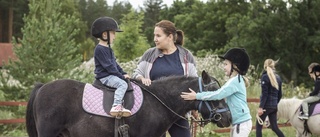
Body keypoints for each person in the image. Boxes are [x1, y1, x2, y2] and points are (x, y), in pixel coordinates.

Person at [132, 20, 197, 137]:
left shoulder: (186, 56)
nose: (155, 39)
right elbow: (136, 74)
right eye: (154, 35)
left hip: (178, 112)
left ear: (170, 37)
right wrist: (142, 78)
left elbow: (194, 82)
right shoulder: (149, 54)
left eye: (158, 36)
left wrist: (194, 106)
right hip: (152, 114)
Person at [181, 48, 252, 137]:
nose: (224, 67)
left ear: (235, 66)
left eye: (226, 64)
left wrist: (197, 96)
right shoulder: (235, 80)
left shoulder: (234, 82)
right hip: (239, 123)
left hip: (241, 124)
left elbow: (217, 94)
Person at [91, 17, 131, 117]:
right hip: (105, 77)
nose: (115, 36)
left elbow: (115, 64)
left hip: (110, 74)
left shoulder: (108, 49)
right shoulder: (99, 49)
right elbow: (109, 67)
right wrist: (121, 77)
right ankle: (116, 106)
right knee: (122, 84)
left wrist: (123, 72)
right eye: (113, 33)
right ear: (105, 34)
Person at [256, 59, 284, 137]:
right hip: (274, 106)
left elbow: (265, 94)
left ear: (264, 66)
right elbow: (280, 94)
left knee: (258, 127)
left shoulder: (265, 77)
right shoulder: (278, 78)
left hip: (266, 106)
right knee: (275, 128)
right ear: (273, 65)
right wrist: (275, 104)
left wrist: (261, 107)